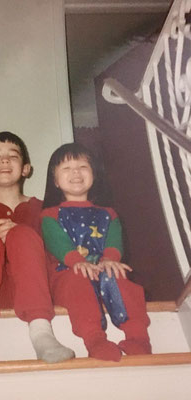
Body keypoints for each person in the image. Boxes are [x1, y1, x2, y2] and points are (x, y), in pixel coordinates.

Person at [0, 132, 75, 364]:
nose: (6, 161)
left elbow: (58, 259)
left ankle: (42, 334)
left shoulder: (44, 210)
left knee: (21, 234)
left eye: (13, 156)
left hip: (38, 295)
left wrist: (20, 235)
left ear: (26, 168)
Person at [41, 142, 151, 362]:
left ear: (94, 175)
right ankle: (95, 339)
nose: (75, 172)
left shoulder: (109, 214)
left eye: (83, 167)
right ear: (55, 181)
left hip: (102, 269)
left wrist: (111, 260)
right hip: (69, 273)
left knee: (119, 275)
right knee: (79, 279)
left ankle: (138, 337)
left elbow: (113, 240)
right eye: (66, 168)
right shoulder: (50, 215)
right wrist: (76, 261)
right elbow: (57, 241)